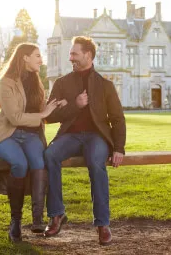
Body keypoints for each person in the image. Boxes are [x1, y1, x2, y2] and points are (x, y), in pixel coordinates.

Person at [43, 36, 126, 246]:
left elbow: (117, 119)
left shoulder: (105, 85)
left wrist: (119, 148)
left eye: (74, 54)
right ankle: (56, 215)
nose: (70, 58)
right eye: (70, 54)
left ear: (88, 55)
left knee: (96, 163)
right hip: (69, 135)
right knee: (50, 155)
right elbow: (49, 116)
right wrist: (75, 105)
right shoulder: (62, 83)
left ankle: (102, 224)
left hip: (96, 137)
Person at [0, 43, 62, 242]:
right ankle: (16, 222)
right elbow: (15, 118)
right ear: (25, 57)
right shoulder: (6, 82)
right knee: (20, 163)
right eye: (37, 55)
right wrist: (43, 114)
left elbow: (38, 108)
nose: (41, 60)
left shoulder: (37, 81)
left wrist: (55, 106)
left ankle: (37, 219)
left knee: (38, 163)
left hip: (31, 135)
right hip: (8, 135)